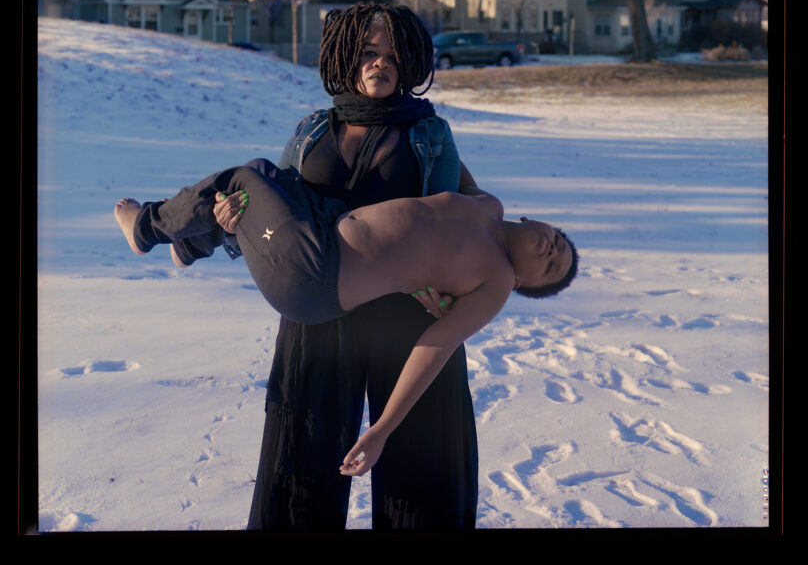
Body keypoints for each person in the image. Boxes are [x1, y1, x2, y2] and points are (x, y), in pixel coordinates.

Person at [120, 4, 487, 530]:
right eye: (366, 52)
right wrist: (230, 224)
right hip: (321, 313)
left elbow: (449, 226)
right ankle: (181, 234)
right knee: (300, 457)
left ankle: (165, 233)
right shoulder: (313, 129)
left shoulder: (430, 135)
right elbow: (282, 216)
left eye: (391, 55)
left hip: (407, 315)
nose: (379, 64)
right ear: (344, 56)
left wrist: (449, 297)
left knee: (424, 464)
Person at [115, 165, 577, 477]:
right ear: (532, 218)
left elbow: (435, 349)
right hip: (314, 234)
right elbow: (442, 150)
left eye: (552, 266)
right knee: (271, 175)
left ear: (524, 286)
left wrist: (381, 430)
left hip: (313, 277)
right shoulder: (486, 205)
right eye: (558, 240)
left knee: (245, 178)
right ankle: (191, 244)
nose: (551, 250)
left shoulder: (494, 282)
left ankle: (147, 228)